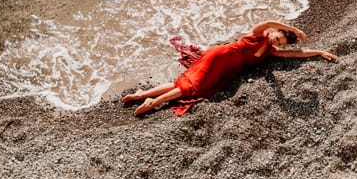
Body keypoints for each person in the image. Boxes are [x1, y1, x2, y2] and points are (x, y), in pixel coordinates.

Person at [121, 20, 338, 116]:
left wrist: (318, 52)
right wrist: (293, 29)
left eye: (280, 42)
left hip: (227, 69)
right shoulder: (257, 34)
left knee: (183, 82)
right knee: (192, 86)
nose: (277, 41)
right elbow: (270, 20)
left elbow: (297, 53)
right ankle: (152, 103)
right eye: (278, 37)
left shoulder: (271, 50)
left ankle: (143, 94)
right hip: (219, 57)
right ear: (274, 31)